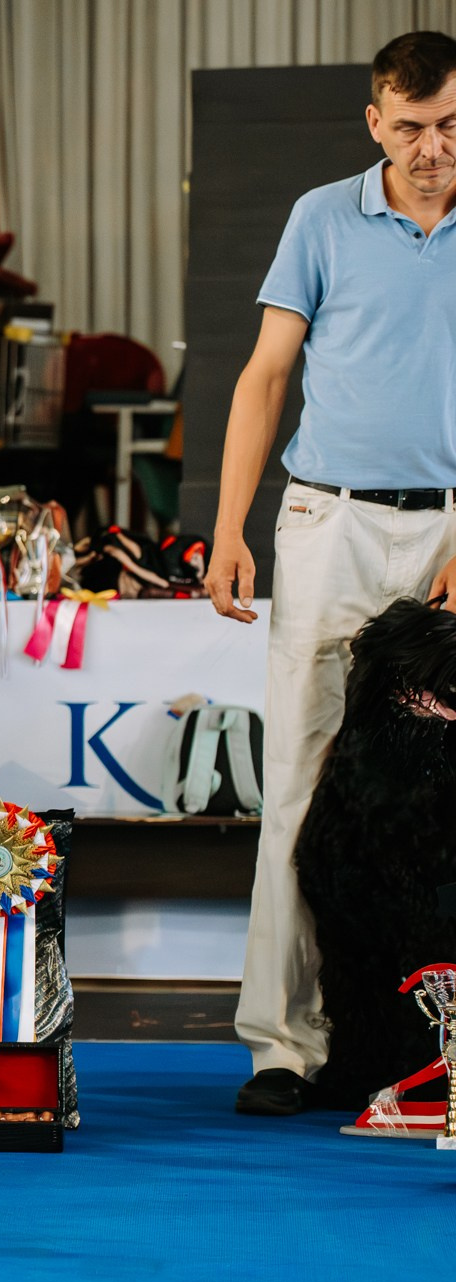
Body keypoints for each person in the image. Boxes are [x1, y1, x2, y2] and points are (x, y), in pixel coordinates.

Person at [204, 31, 456, 1117]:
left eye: (450, 126)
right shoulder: (319, 217)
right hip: (327, 524)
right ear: (372, 123)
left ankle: (423, 1044)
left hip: (444, 528)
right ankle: (281, 1045)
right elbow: (262, 378)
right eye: (409, 128)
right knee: (300, 784)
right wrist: (227, 528)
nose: (431, 148)